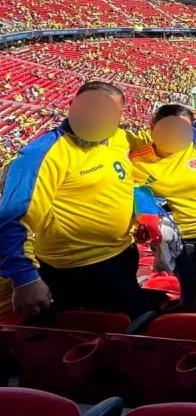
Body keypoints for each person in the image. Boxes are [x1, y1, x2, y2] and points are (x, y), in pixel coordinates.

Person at [0, 82, 153, 319]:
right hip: (78, 268)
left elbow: (148, 144)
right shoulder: (43, 154)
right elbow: (12, 218)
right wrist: (24, 279)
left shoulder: (119, 137)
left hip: (121, 253)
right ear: (72, 106)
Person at [129, 104, 196, 314]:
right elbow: (141, 197)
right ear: (153, 126)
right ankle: (195, 334)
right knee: (192, 293)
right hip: (185, 238)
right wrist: (147, 222)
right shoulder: (138, 161)